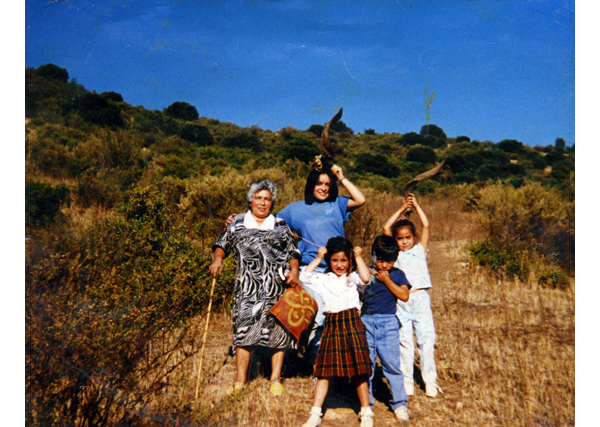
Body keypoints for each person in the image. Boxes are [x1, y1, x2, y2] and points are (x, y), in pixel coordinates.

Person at [209, 180, 302, 397]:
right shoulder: (237, 222)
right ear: (250, 200)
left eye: (267, 199)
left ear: (272, 202)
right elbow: (222, 244)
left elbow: (293, 253)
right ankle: (240, 381)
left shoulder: (280, 225)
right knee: (243, 331)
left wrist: (294, 272)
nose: (262, 202)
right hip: (246, 287)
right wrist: (218, 260)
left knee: (279, 333)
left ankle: (275, 379)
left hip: (276, 286)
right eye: (258, 198)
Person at [277, 163, 366, 369]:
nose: (323, 188)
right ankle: (315, 362)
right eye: (319, 183)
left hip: (338, 270)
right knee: (318, 314)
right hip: (311, 271)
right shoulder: (295, 208)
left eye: (327, 184)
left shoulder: (337, 204)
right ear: (311, 185)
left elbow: (361, 199)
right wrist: (236, 220)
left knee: (339, 314)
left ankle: (335, 360)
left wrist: (341, 177)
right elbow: (270, 222)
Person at [299, 237, 374, 427]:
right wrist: (318, 257)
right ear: (328, 260)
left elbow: (366, 278)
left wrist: (357, 257)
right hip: (332, 324)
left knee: (358, 369)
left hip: (352, 323)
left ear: (349, 260)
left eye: (343, 260)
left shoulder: (353, 277)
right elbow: (303, 277)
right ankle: (315, 413)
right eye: (334, 260)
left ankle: (366, 411)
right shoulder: (323, 278)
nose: (339, 265)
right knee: (323, 371)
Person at [383, 193, 441, 398]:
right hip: (401, 301)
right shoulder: (394, 255)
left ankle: (430, 382)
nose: (404, 242)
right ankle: (407, 380)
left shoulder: (419, 250)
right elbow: (385, 229)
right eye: (400, 239)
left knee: (425, 340)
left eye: (408, 238)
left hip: (420, 299)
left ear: (413, 238)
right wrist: (400, 210)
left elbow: (426, 225)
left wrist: (415, 206)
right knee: (405, 342)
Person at [360, 235, 411, 421]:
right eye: (380, 260)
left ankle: (400, 403)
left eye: (389, 261)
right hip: (366, 321)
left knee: (392, 365)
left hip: (388, 322)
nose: (383, 265)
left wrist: (387, 280)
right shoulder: (365, 272)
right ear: (373, 256)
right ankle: (367, 404)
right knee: (368, 364)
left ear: (395, 260)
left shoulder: (397, 274)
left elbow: (404, 296)